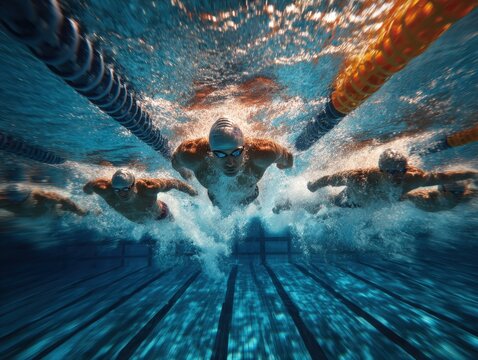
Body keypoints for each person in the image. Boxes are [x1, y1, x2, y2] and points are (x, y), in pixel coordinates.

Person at [171, 117, 293, 209]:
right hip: (216, 199)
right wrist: (184, 173)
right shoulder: (192, 156)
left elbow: (289, 159)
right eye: (220, 154)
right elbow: (175, 162)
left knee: (257, 206)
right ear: (211, 152)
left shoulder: (264, 153)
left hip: (251, 196)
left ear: (244, 148)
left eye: (236, 153)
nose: (230, 162)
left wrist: (283, 167)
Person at [307, 149, 478, 208]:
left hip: (383, 202)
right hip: (350, 202)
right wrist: (313, 186)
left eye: (400, 170)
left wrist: (471, 174)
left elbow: (441, 177)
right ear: (381, 170)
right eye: (391, 171)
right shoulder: (359, 177)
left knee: (444, 202)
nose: (397, 176)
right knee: (326, 204)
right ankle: (299, 202)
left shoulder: (413, 178)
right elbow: (330, 179)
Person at [83, 169, 197, 223]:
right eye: (117, 190)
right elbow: (89, 187)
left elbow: (173, 183)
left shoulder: (149, 189)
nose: (122, 193)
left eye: (126, 189)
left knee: (175, 225)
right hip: (142, 222)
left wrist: (191, 191)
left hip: (161, 215)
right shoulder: (104, 190)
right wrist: (88, 194)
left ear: (133, 185)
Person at [0, 184, 87, 217]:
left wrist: (78, 210)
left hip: (48, 212)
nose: (3, 198)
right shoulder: (13, 199)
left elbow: (64, 200)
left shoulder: (43, 200)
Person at [402, 181, 476, 212]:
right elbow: (405, 196)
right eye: (457, 192)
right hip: (433, 204)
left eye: (462, 191)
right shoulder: (426, 200)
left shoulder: (463, 196)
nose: (460, 194)